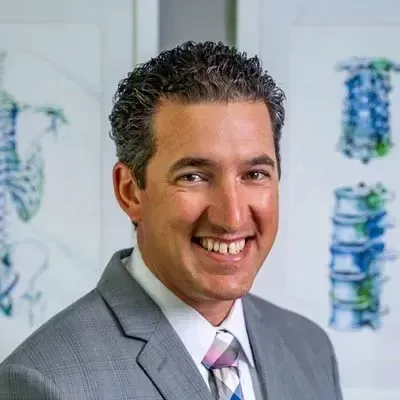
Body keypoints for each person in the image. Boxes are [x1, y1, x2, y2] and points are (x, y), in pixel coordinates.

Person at [0, 41, 343, 399]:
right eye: (193, 176)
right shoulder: (45, 382)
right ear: (130, 192)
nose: (232, 217)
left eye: (254, 174)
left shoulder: (310, 349)